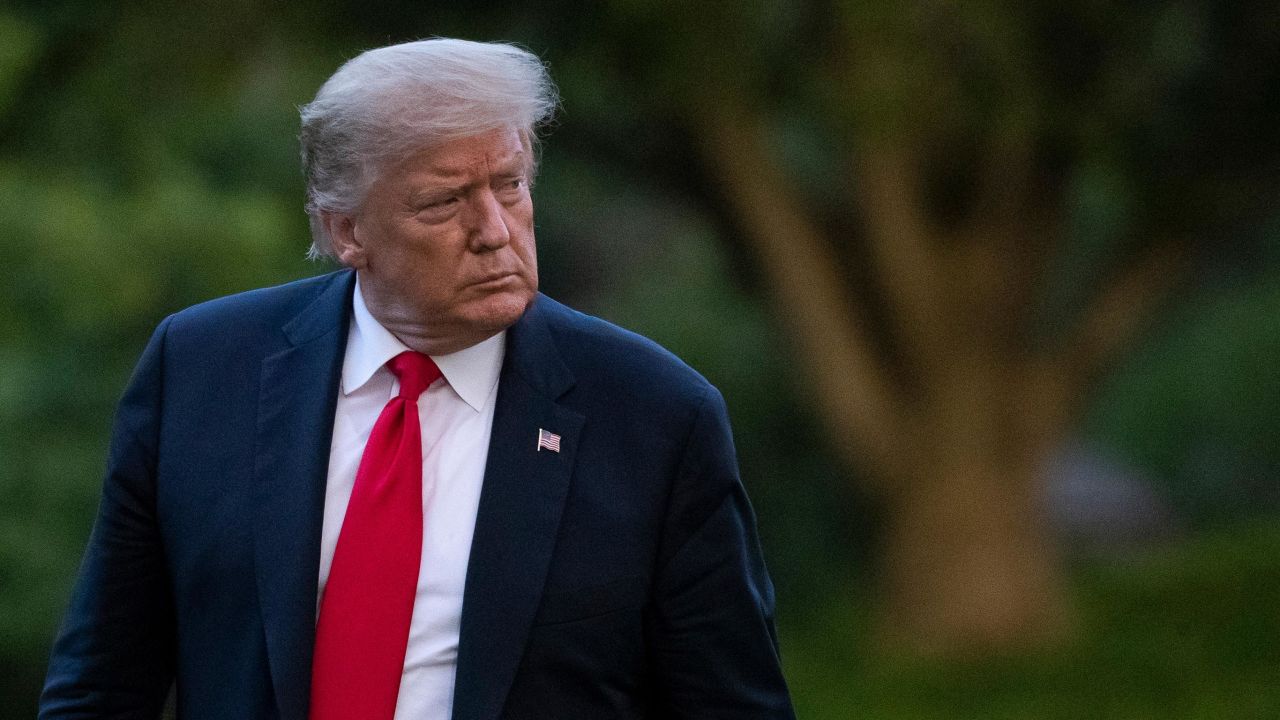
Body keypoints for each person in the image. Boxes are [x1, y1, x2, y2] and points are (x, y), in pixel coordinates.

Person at [39, 38, 795, 720]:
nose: (494, 230)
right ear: (346, 231)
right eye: (444, 201)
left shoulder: (655, 414)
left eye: (510, 185)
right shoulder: (202, 368)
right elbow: (102, 682)